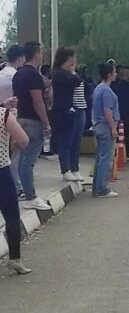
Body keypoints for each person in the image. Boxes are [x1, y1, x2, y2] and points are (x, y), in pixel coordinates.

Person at [12, 42, 52, 211]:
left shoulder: (18, 74)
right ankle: (30, 196)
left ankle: (26, 191)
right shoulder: (34, 75)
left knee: (22, 159)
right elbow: (38, 101)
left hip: (21, 118)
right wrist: (46, 122)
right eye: (40, 52)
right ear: (36, 54)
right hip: (33, 121)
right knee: (29, 160)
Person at [1, 99, 32, 274]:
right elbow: (24, 140)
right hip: (2, 173)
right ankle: (15, 259)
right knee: (11, 216)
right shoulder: (3, 115)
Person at [50, 47, 85, 183]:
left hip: (74, 109)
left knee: (75, 141)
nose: (75, 60)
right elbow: (76, 80)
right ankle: (66, 170)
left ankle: (74, 168)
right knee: (65, 141)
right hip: (63, 111)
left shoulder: (68, 74)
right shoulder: (59, 74)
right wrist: (73, 72)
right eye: (73, 58)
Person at [92, 62, 120, 198]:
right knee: (106, 158)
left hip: (98, 125)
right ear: (109, 74)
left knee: (100, 157)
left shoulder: (98, 88)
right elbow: (107, 110)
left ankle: (97, 187)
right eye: (114, 72)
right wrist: (113, 127)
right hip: (106, 125)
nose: (116, 74)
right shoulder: (107, 91)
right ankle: (102, 189)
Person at [0, 44, 25, 196]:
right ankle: (17, 185)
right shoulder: (17, 76)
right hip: (13, 116)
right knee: (15, 155)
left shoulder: (1, 74)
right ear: (21, 57)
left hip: (2, 113)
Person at [111, 65, 129, 160]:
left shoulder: (115, 84)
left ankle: (119, 152)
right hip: (127, 112)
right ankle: (128, 152)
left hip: (118, 112)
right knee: (128, 132)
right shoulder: (128, 85)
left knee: (120, 133)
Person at [78, 64, 96, 132]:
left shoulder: (88, 78)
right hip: (81, 98)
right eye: (83, 69)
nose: (84, 71)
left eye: (85, 69)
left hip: (88, 98)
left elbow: (93, 85)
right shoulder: (78, 78)